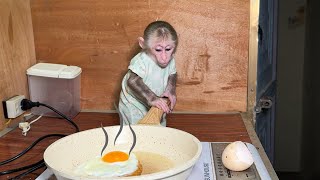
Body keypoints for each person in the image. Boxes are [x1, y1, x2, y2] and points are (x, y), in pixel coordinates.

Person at [118, 20, 178, 126]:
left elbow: (172, 74)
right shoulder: (141, 61)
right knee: (136, 131)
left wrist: (170, 91)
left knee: (158, 125)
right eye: (158, 50)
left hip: (156, 100)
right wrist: (152, 98)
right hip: (134, 104)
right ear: (143, 44)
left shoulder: (171, 59)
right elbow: (132, 81)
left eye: (168, 49)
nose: (164, 57)